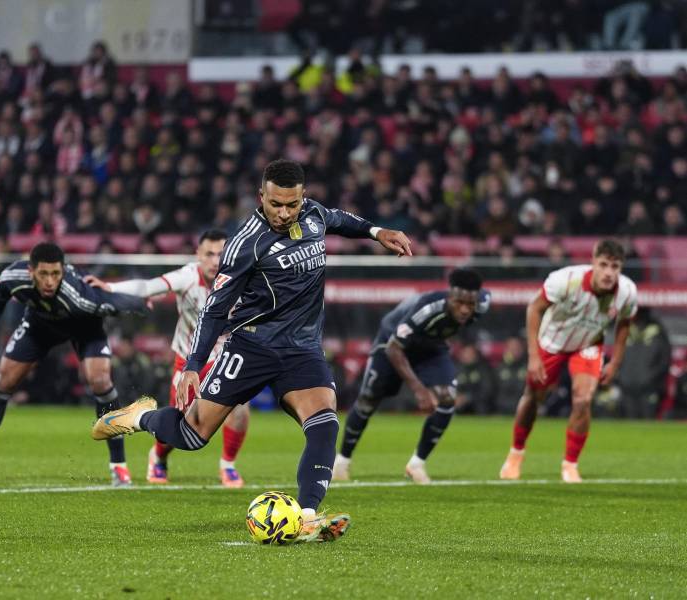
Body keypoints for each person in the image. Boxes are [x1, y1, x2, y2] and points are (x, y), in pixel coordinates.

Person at [91, 159, 412, 542]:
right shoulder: (246, 243)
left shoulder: (312, 215)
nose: (284, 212)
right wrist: (194, 364)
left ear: (302, 198)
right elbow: (214, 309)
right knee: (193, 436)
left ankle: (307, 516)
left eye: (291, 204)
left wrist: (377, 231)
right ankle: (141, 417)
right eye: (275, 203)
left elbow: (341, 220)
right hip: (251, 346)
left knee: (325, 423)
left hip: (302, 349)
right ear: (262, 196)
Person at [0, 242, 148, 486]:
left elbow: (114, 303)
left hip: (84, 326)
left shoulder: (80, 295)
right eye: (43, 274)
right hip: (39, 325)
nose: (50, 281)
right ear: (31, 271)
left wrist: (141, 303)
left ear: (63, 270)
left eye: (56, 274)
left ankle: (119, 467)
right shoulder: (13, 276)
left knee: (100, 380)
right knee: (3, 381)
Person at [85, 229, 251, 487]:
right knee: (181, 425)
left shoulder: (242, 278)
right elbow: (148, 287)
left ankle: (228, 465)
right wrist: (110, 287)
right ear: (198, 255)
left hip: (225, 360)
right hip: (189, 362)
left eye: (221, 254)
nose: (215, 260)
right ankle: (159, 456)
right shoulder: (188, 275)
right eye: (209, 254)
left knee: (240, 411)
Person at [332, 269, 490, 484]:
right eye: (459, 303)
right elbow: (394, 349)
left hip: (431, 347)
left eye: (469, 304)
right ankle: (342, 462)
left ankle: (416, 464)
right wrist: (420, 390)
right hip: (391, 342)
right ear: (449, 296)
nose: (464, 310)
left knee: (447, 399)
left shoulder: (483, 303)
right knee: (368, 399)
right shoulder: (427, 309)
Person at [500, 239, 638, 483]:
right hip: (551, 343)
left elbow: (624, 324)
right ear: (593, 262)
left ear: (621, 268)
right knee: (533, 398)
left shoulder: (627, 291)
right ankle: (515, 454)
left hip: (587, 344)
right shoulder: (566, 280)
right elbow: (534, 308)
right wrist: (533, 356)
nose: (609, 273)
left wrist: (615, 362)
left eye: (615, 267)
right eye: (604, 265)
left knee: (583, 399)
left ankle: (570, 465)